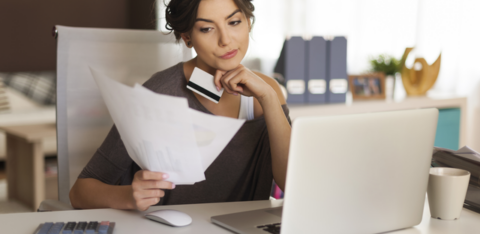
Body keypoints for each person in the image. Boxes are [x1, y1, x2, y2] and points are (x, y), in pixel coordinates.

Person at [69, 0, 291, 211]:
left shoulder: (266, 91)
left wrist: (269, 97)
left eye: (234, 22)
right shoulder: (159, 91)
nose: (226, 40)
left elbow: (291, 182)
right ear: (187, 37)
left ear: (248, 22)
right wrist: (129, 197)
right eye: (206, 28)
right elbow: (80, 192)